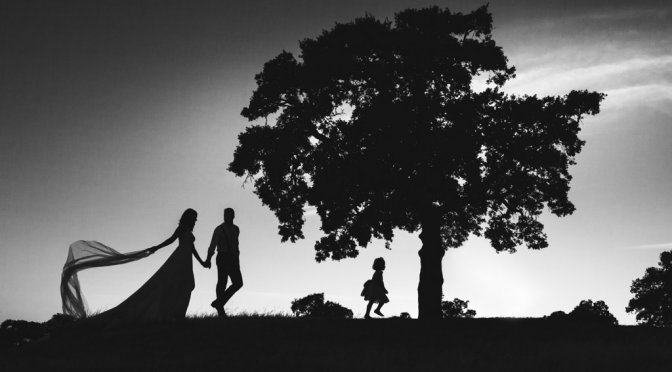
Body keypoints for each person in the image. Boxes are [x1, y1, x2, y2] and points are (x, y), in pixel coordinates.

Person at [61, 208, 208, 323]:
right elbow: (170, 240)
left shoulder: (188, 230)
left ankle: (178, 313)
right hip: (179, 259)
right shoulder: (182, 228)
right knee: (178, 284)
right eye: (194, 218)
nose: (196, 220)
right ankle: (177, 314)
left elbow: (192, 248)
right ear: (189, 218)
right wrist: (156, 247)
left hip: (186, 259)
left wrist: (202, 262)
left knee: (187, 284)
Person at [204, 207, 243, 317]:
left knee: (238, 283)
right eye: (225, 215)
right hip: (222, 257)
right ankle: (221, 311)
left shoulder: (236, 229)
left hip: (233, 258)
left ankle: (219, 302)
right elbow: (212, 246)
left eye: (229, 215)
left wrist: (237, 260)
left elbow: (236, 246)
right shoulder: (219, 229)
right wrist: (208, 259)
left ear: (233, 216)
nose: (226, 217)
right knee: (222, 282)